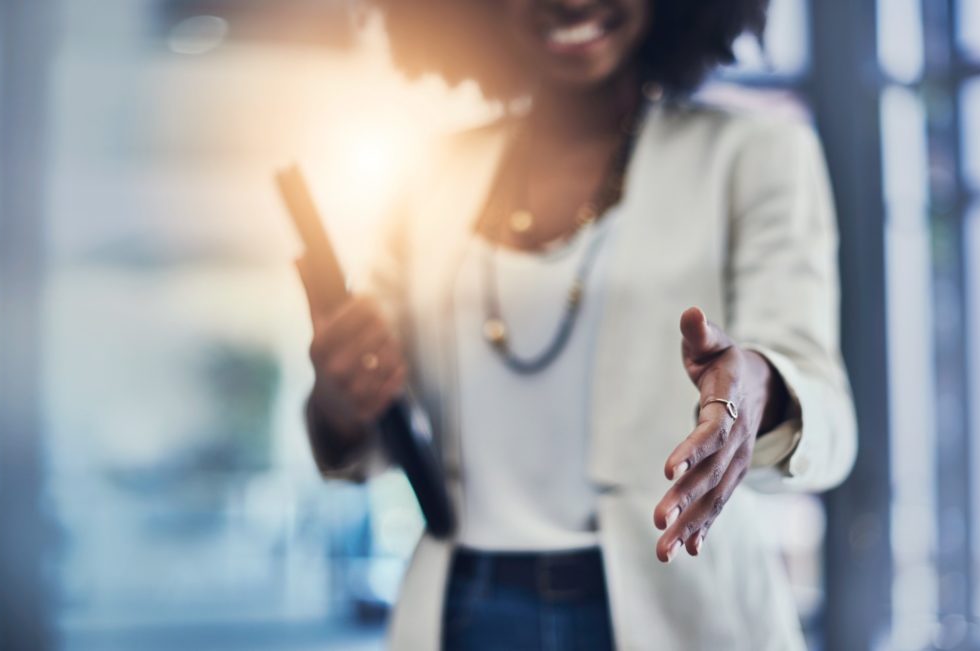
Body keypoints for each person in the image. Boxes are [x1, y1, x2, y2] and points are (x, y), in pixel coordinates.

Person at [298, 0, 858, 648]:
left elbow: (830, 421)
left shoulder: (755, 154)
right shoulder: (429, 178)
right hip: (466, 607)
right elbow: (370, 428)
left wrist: (762, 386)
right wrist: (341, 399)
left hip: (674, 604)